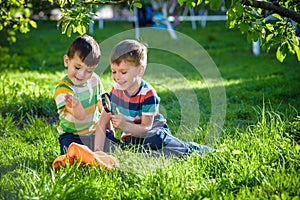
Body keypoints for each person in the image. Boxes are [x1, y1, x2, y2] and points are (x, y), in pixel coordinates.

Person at [94, 39, 214, 157]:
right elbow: (102, 123)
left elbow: (146, 128)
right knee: (119, 145)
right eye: (113, 71)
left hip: (154, 133)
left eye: (123, 72)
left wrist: (125, 125)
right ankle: (157, 154)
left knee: (155, 140)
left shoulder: (148, 94)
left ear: (140, 71)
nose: (117, 77)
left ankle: (196, 150)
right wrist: (97, 153)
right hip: (133, 138)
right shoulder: (116, 91)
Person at [54, 34, 111, 155]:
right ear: (66, 61)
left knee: (114, 147)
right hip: (72, 136)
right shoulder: (63, 90)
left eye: (89, 71)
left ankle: (94, 153)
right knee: (70, 154)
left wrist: (108, 125)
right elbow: (79, 117)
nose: (81, 74)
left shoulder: (95, 80)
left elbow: (101, 106)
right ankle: (86, 155)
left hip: (94, 133)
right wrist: (76, 107)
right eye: (77, 67)